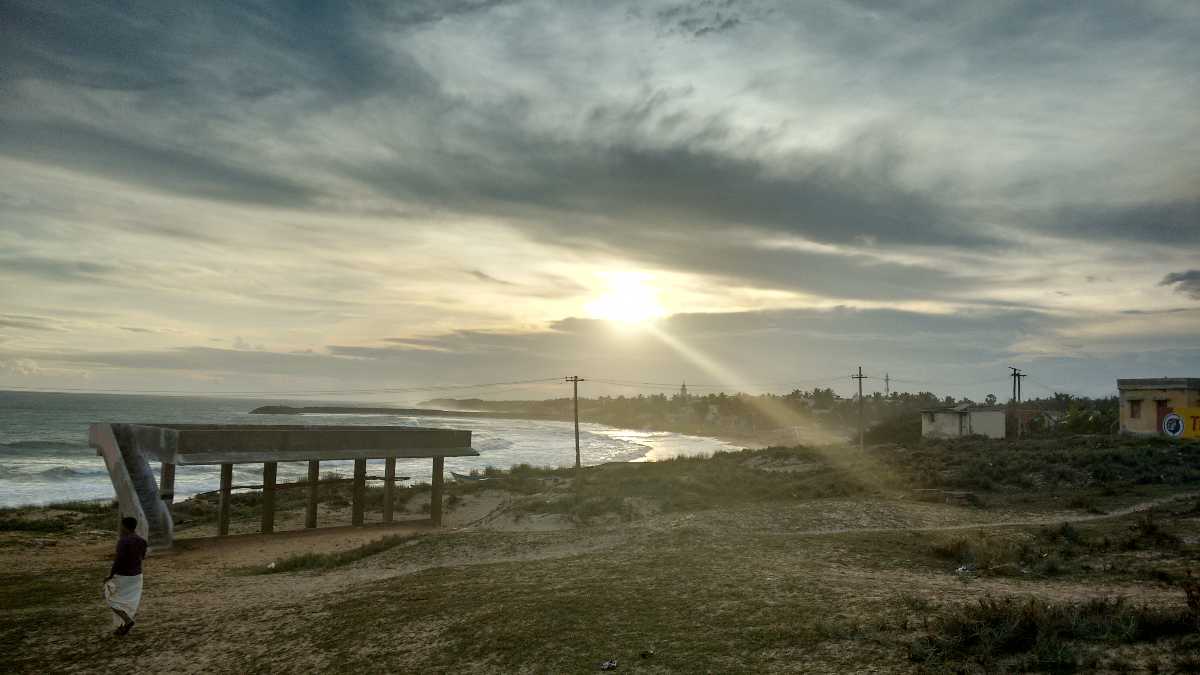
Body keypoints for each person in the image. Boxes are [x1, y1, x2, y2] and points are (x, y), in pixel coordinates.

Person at [104, 516, 147, 636]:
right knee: (128, 601)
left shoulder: (123, 541)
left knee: (112, 600)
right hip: (137, 575)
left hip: (124, 575)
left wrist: (110, 575)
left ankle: (127, 621)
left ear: (124, 527)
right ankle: (122, 625)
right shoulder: (142, 540)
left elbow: (119, 560)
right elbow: (142, 557)